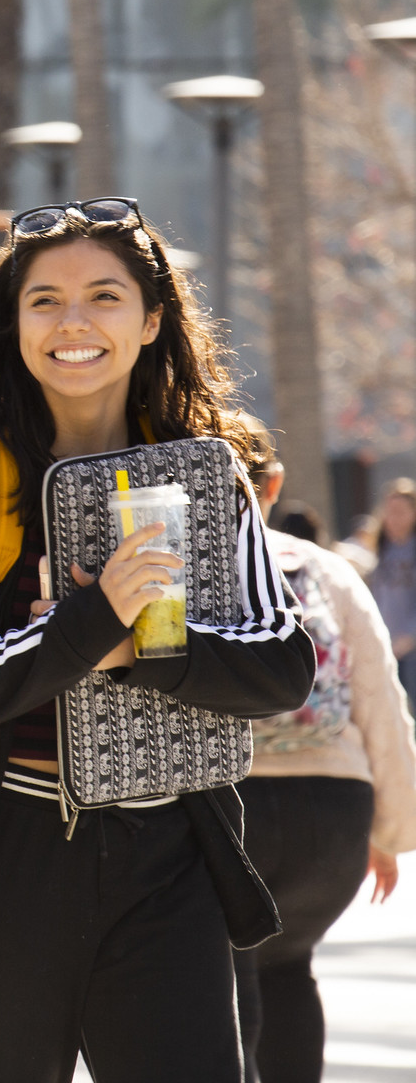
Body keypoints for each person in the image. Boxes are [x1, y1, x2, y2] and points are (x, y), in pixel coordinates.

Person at [0, 198, 316, 1081]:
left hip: (169, 863)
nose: (73, 322)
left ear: (151, 320)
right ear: (14, 321)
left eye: (104, 297)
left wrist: (141, 646)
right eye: (44, 301)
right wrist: (91, 624)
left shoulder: (204, 469)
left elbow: (278, 665)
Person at [235, 422, 416, 1083]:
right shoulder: (324, 567)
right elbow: (378, 699)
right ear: (272, 484)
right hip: (333, 816)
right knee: (287, 965)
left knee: (227, 976)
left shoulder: (173, 562)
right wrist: (391, 831)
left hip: (233, 809)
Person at [358, 479, 416, 715]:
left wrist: (410, 637)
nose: (394, 518)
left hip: (410, 645)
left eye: (400, 512)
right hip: (388, 644)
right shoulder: (379, 550)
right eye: (390, 512)